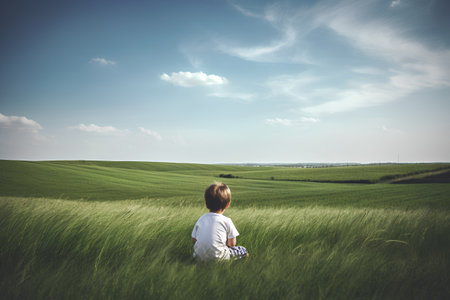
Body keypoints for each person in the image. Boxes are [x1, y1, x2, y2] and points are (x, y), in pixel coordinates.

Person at [191, 182, 248, 261]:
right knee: (243, 250)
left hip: (199, 258)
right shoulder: (227, 221)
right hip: (220, 258)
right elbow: (232, 244)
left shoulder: (201, 219)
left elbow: (194, 239)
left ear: (206, 204)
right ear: (227, 204)